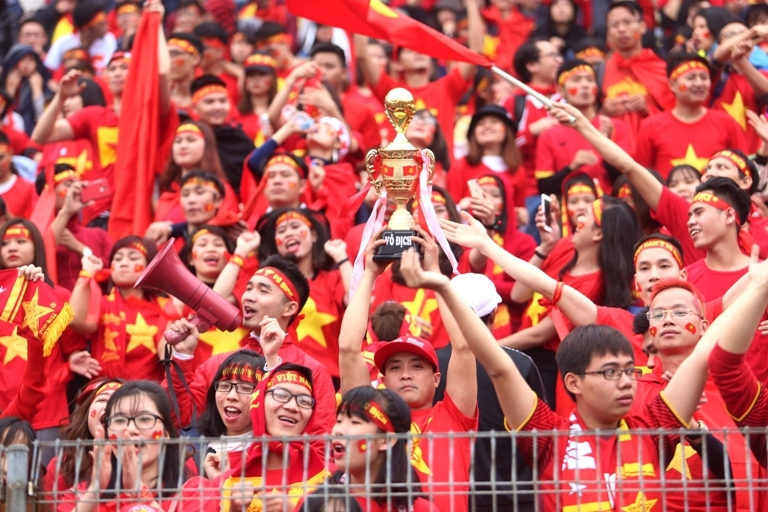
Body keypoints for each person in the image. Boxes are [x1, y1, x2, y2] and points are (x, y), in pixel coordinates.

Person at [394, 245, 729, 511]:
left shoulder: (652, 429)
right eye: (610, 372)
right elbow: (498, 366)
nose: (627, 381)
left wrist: (752, 284)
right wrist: (443, 287)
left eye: (630, 370)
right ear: (573, 382)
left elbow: (702, 354)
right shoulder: (548, 438)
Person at [339, 230, 478, 512]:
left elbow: (463, 346)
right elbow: (348, 350)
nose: (405, 374)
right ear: (382, 378)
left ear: (437, 379)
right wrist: (370, 274)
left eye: (417, 366)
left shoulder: (454, 416)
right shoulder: (368, 418)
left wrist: (434, 272)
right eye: (395, 367)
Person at [164, 255, 336, 433]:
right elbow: (178, 418)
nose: (248, 297)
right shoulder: (219, 364)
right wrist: (182, 355)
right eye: (248, 288)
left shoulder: (312, 370)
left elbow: (322, 438)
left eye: (263, 291)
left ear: (290, 308)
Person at [507, 196, 641, 413]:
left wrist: (489, 347)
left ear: (598, 234)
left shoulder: (594, 285)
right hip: (521, 350)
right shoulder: (564, 247)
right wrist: (545, 247)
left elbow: (539, 335)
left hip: (544, 364)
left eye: (585, 215)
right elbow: (518, 294)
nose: (578, 218)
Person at [433, 273, 545, 512]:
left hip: (451, 495)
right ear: (494, 313)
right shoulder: (522, 364)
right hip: (516, 495)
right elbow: (541, 433)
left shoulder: (429, 367)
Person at [56, 381, 212, 511]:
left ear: (166, 434)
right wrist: (93, 493)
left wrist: (139, 492)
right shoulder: (79, 496)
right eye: (119, 420)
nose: (130, 430)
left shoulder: (196, 492)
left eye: (144, 419)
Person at [353, 0, 481, 154]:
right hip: (401, 168)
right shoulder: (391, 92)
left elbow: (476, 52)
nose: (418, 53)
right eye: (409, 50)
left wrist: (472, 4)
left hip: (439, 168)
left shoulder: (447, 87)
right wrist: (362, 5)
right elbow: (362, 56)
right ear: (397, 64)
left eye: (422, 50)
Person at [216, 363, 330, 511]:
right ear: (258, 403)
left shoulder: (328, 480)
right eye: (281, 395)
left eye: (304, 401)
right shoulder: (229, 481)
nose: (292, 407)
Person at [252, 208, 350, 379]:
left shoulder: (332, 278)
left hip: (329, 378)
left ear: (314, 235)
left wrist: (341, 257)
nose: (289, 233)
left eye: (296, 226)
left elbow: (358, 303)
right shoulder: (265, 282)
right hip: (280, 375)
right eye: (282, 231)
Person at [68, 236, 170, 382]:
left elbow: (169, 357)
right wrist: (86, 273)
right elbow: (74, 320)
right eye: (118, 258)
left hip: (150, 392)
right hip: (107, 389)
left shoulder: (165, 307)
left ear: (150, 266)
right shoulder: (103, 303)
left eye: (133, 258)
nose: (123, 263)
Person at [634, 53, 748, 178]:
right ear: (672, 84)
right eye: (691, 78)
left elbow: (743, 170)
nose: (699, 83)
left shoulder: (726, 123)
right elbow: (640, 177)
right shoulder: (650, 126)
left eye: (704, 77)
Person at [327, 386, 438, 512]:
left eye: (355, 422)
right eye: (339, 421)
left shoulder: (420, 509)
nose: (338, 431)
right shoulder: (319, 504)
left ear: (386, 440)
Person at [536, 60, 631, 195]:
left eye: (590, 80)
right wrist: (571, 168)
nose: (585, 85)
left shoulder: (614, 126)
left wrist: (607, 146)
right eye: (576, 80)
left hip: (610, 205)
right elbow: (544, 188)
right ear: (560, 90)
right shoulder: (549, 134)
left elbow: (626, 177)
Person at [503, 38, 562, 228]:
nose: (559, 60)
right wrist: (530, 133)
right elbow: (500, 150)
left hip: (570, 191)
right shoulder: (514, 103)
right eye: (552, 55)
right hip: (530, 195)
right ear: (532, 65)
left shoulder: (567, 100)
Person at [601, 1, 675, 151]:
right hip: (613, 154)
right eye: (615, 25)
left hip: (656, 150)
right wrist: (604, 112)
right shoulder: (599, 71)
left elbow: (678, 117)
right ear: (608, 34)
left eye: (627, 22)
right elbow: (588, 119)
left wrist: (647, 110)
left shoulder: (662, 69)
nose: (621, 29)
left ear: (642, 26)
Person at [44, 379, 124, 495]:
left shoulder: (143, 460)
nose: (110, 406)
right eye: (102, 399)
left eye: (118, 401)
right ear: (87, 414)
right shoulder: (61, 465)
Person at [197, 350, 265, 480]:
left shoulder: (276, 459)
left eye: (245, 388)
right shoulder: (195, 463)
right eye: (224, 386)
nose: (231, 396)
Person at [155, 123, 239, 225]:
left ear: (207, 146)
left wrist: (173, 229)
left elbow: (226, 224)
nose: (183, 146)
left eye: (191, 140)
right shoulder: (168, 191)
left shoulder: (220, 188)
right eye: (178, 141)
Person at [48, 165, 113, 291]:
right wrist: (66, 211)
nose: (74, 191)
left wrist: (81, 249)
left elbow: (114, 273)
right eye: (68, 185)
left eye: (78, 186)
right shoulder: (36, 231)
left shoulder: (99, 235)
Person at [189, 75, 254, 195]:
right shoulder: (187, 139)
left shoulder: (239, 140)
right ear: (194, 108)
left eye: (223, 101)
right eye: (209, 102)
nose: (218, 107)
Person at [43, 0, 117, 75]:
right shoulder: (63, 43)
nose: (106, 27)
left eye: (105, 22)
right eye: (101, 25)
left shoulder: (109, 41)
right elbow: (49, 71)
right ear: (86, 29)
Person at [236, 52, 278, 146]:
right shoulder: (236, 115)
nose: (256, 79)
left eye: (262, 74)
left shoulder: (281, 114)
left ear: (273, 79)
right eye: (251, 75)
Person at [0, 131, 36, 218]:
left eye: (0, 157)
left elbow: (32, 224)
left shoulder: (28, 189)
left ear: (11, 154)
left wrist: (8, 217)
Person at [167, 32, 204, 114]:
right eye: (166, 55)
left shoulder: (210, 98)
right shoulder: (162, 98)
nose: (168, 61)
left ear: (195, 59)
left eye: (174, 54)